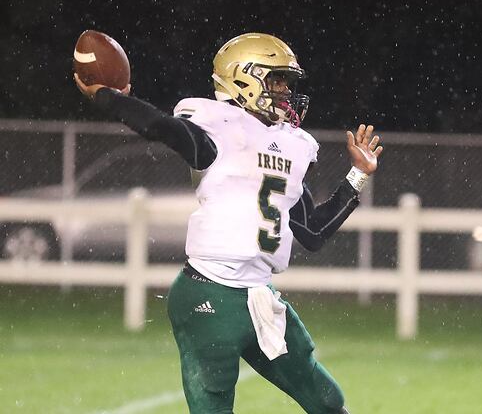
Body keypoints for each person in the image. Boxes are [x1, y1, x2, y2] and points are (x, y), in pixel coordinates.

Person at [75, 32, 382, 414]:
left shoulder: (291, 145)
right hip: (209, 295)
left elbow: (313, 232)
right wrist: (108, 96)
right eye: (277, 80)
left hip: (259, 297)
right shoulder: (214, 129)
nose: (286, 92)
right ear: (243, 79)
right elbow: (159, 126)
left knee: (327, 400)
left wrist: (357, 175)